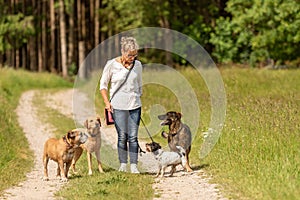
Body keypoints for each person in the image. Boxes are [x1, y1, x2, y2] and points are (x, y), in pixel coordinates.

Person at [99, 36, 142, 173]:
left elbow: (139, 85)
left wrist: (136, 97)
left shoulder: (138, 65)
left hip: (135, 106)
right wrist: (107, 103)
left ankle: (134, 166)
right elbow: (103, 85)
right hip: (117, 106)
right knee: (122, 136)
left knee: (133, 137)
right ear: (123, 52)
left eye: (135, 55)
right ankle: (123, 164)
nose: (133, 58)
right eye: (130, 55)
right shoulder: (111, 64)